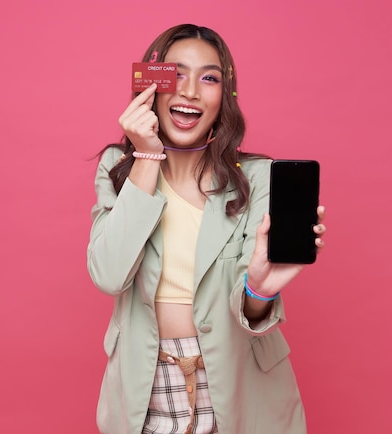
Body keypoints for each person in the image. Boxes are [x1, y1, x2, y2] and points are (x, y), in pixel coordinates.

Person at [87, 24, 326, 434]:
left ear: (224, 99)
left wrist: (260, 291)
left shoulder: (256, 178)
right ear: (152, 86)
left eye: (210, 78)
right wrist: (145, 154)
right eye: (176, 75)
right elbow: (109, 275)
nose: (191, 91)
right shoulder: (117, 168)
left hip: (239, 386)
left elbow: (247, 303)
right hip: (146, 388)